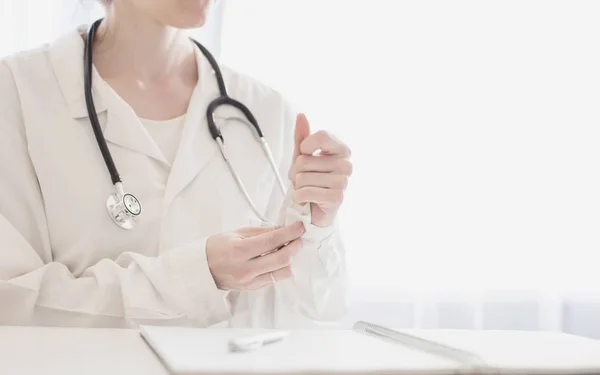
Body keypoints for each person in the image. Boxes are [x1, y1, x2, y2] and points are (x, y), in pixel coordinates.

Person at [0, 0, 352, 328]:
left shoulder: (265, 112)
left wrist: (316, 229)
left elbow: (308, 319)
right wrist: (198, 277)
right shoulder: (17, 92)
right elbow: (12, 302)